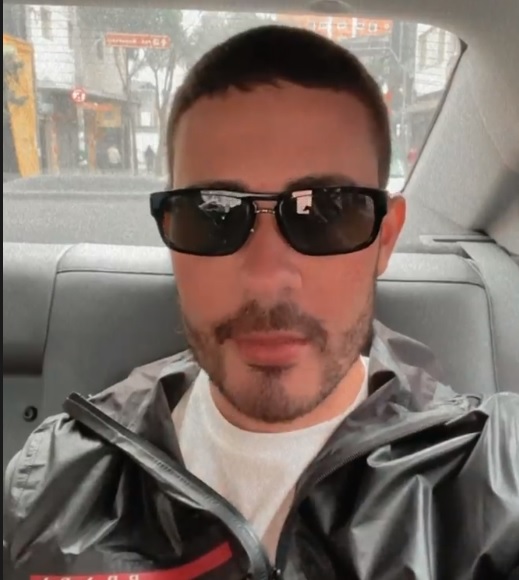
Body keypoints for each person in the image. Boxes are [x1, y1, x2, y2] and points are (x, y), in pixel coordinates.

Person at [4, 26, 519, 580]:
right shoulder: (54, 484)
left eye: (327, 212)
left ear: (385, 240)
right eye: (213, 214)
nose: (268, 280)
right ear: (171, 235)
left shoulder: (494, 478)